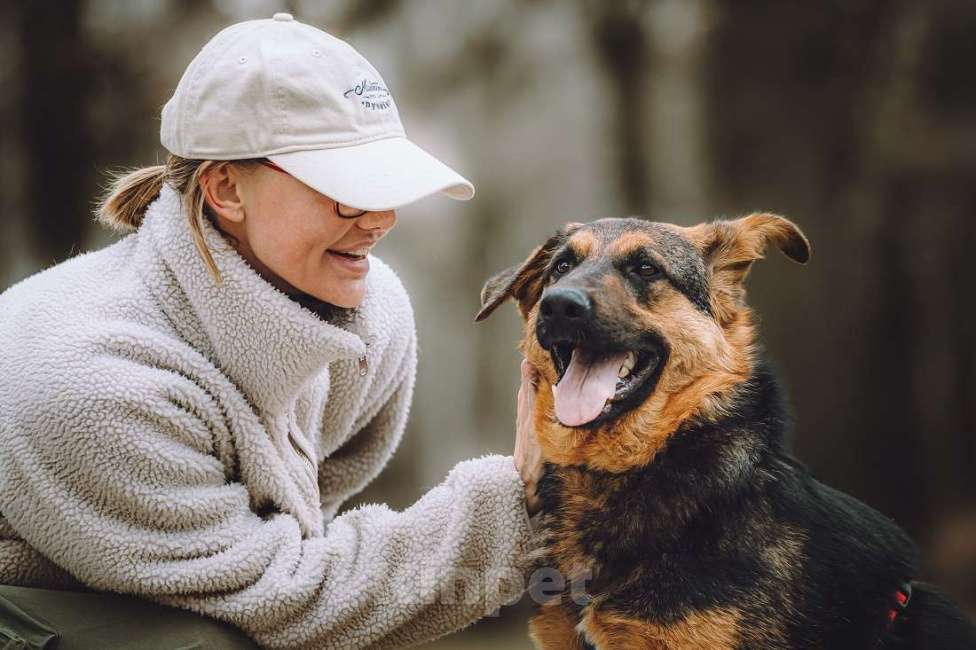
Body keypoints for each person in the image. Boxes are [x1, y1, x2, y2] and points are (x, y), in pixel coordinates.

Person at [0, 12, 544, 650]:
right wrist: (523, 499)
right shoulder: (95, 383)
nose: (381, 220)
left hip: (161, 579)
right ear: (227, 188)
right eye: (349, 192)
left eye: (388, 188)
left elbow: (308, 536)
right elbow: (289, 601)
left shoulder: (369, 322)